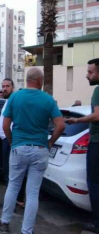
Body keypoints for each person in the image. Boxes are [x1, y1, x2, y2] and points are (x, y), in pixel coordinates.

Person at [0, 68, 65, 234]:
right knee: (32, 192)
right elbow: (61, 125)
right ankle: (27, 230)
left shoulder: (15, 97)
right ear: (40, 81)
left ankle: (5, 222)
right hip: (40, 149)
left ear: (27, 80)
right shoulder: (48, 100)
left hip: (19, 147)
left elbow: (5, 125)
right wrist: (50, 142)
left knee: (13, 186)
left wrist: (13, 143)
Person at [66, 58, 99, 233]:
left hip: (97, 142)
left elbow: (97, 115)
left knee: (94, 183)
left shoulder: (98, 90)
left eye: (90, 72)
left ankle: (97, 223)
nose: (87, 75)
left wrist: (77, 120)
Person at [0, 78, 26, 209]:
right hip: (8, 140)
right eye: (3, 86)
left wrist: (10, 141)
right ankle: (18, 199)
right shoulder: (8, 100)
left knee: (10, 173)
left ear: (12, 87)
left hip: (11, 140)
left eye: (7, 86)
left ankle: (11, 203)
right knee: (11, 172)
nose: (4, 89)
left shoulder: (14, 99)